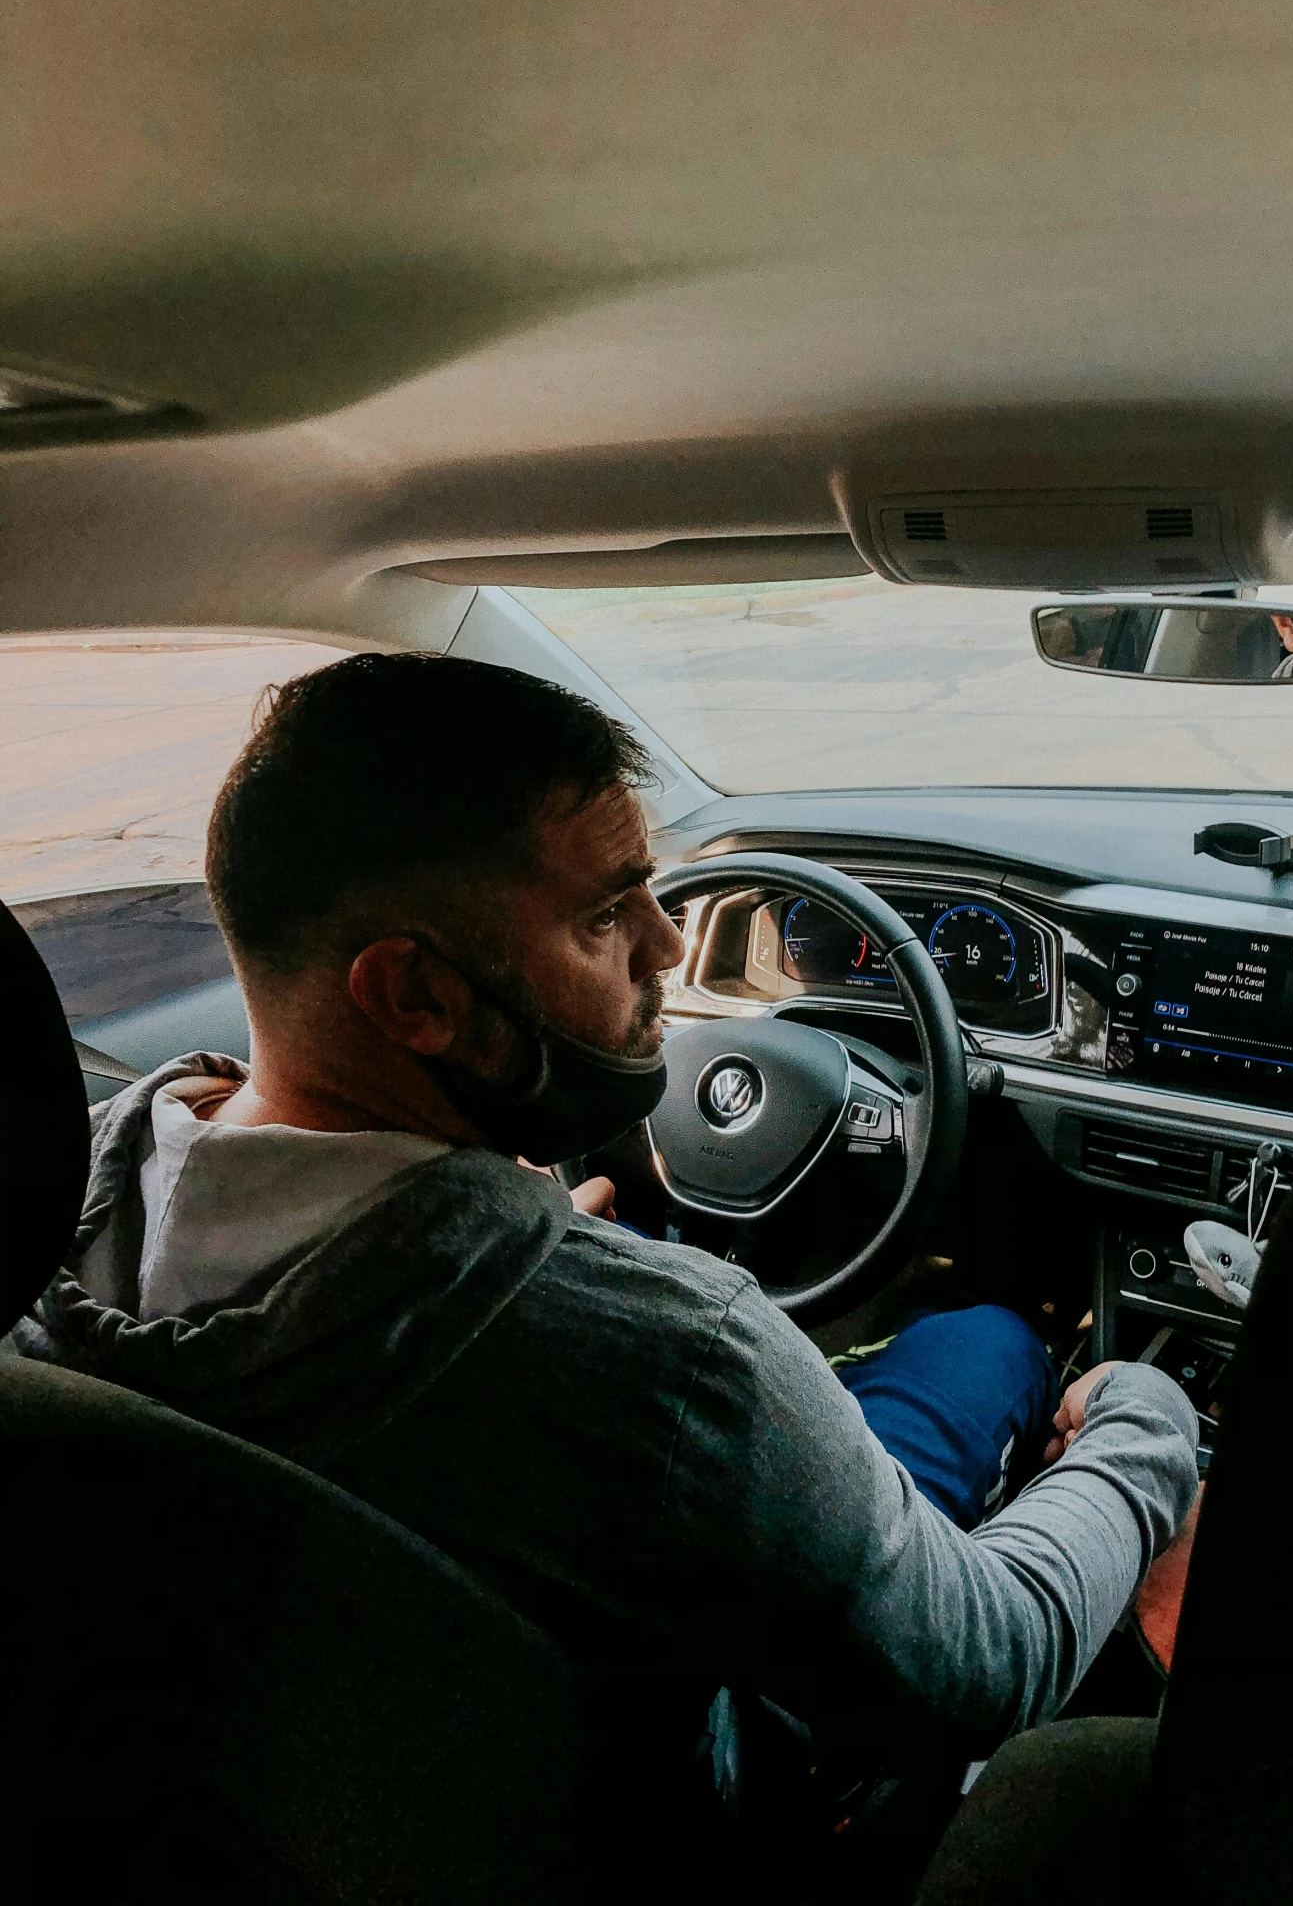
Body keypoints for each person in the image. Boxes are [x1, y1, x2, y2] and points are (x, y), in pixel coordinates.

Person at [15, 653, 1197, 1800]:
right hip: (712, 1801)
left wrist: (519, 1235)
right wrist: (1149, 1423)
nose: (671, 943)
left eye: (653, 889)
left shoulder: (76, 1188)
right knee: (990, 1336)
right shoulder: (678, 1363)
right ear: (414, 995)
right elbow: (984, 1666)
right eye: (602, 915)